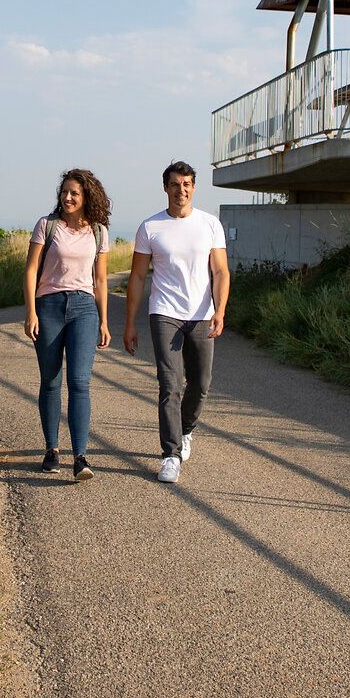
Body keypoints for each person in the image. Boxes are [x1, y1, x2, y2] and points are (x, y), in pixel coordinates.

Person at [123, 160, 229, 484]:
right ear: (165, 188)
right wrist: (129, 324)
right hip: (164, 311)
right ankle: (170, 455)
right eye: (174, 184)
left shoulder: (210, 224)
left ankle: (185, 430)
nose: (180, 190)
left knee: (201, 383)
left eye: (186, 184)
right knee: (170, 384)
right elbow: (138, 276)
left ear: (193, 187)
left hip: (201, 314)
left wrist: (220, 310)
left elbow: (221, 271)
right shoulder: (150, 227)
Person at [23, 168, 112, 481]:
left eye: (75, 193)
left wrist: (104, 320)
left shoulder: (99, 232)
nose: (68, 198)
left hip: (84, 309)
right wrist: (31, 311)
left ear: (86, 195)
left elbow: (100, 279)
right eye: (64, 192)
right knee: (50, 380)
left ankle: (80, 456)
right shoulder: (47, 226)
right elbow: (32, 270)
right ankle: (51, 449)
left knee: (79, 381)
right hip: (48, 307)